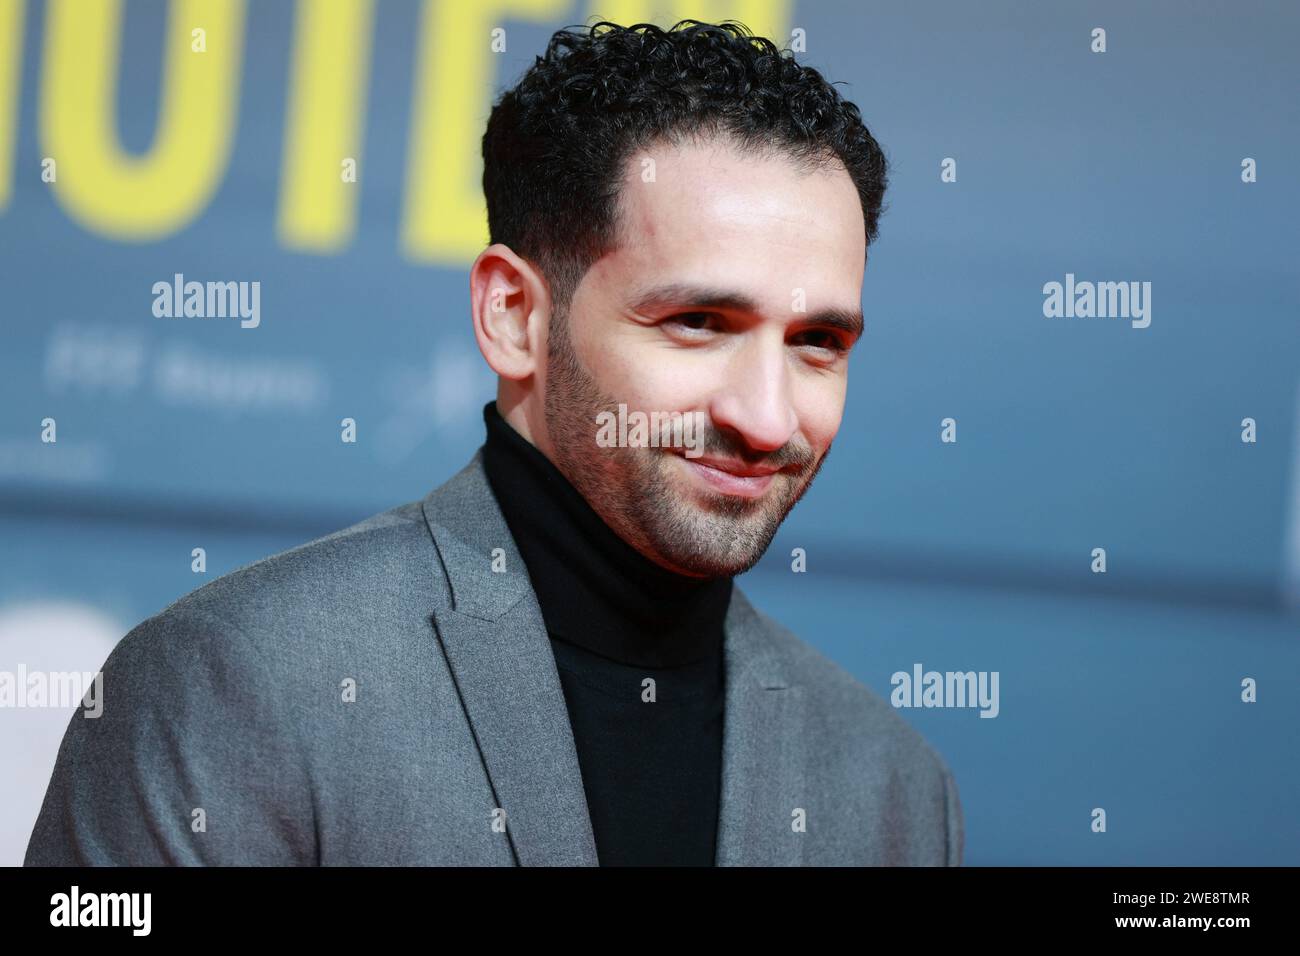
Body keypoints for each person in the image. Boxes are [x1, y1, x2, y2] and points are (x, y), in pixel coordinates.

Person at [25, 19, 962, 866]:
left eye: (817, 344)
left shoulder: (894, 794)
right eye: (698, 322)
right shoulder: (231, 691)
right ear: (514, 317)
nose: (767, 417)